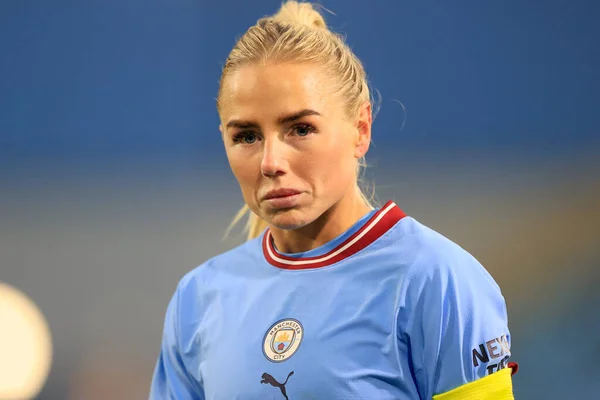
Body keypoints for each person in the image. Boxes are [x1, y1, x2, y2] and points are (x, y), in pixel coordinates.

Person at [149, 1, 517, 399]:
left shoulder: (436, 281)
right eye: (247, 136)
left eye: (300, 129)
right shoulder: (198, 298)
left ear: (360, 129)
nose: (271, 162)